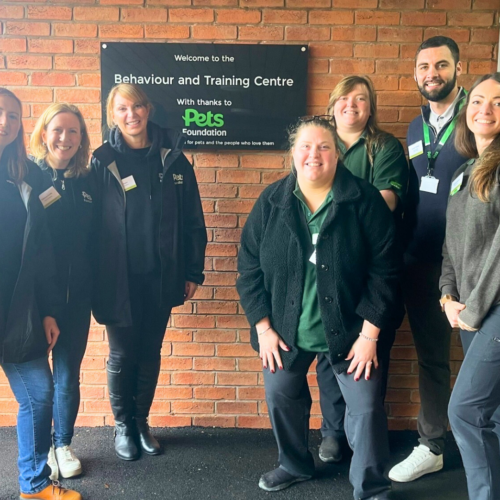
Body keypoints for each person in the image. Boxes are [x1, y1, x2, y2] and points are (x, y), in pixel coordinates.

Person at [237, 116, 401, 499]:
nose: (314, 155)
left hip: (352, 330)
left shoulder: (364, 200)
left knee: (366, 408)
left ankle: (372, 486)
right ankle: (294, 465)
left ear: (338, 153)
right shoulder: (272, 201)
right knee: (281, 395)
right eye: (306, 147)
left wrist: (369, 335)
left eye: (324, 147)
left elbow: (386, 271)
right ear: (293, 153)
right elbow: (248, 269)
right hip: (285, 329)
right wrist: (263, 328)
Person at [91, 83, 207, 461]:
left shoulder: (173, 159)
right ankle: (123, 425)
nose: (132, 115)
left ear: (148, 109)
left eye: (137, 106)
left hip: (161, 275)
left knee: (150, 351)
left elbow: (193, 221)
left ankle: (141, 423)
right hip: (117, 278)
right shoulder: (102, 160)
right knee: (123, 353)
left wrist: (192, 271)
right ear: (113, 115)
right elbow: (89, 225)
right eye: (123, 109)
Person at [388, 36, 469, 483]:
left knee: (481, 355)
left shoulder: (476, 119)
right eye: (424, 67)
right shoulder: (416, 128)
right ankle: (431, 445)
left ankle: (485, 442)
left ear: (460, 67)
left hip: (470, 264)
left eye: (441, 65)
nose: (431, 74)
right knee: (433, 357)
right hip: (422, 260)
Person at [316, 75, 408, 464]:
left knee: (368, 356)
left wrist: (335, 217)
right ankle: (333, 433)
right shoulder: (321, 142)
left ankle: (362, 440)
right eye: (344, 98)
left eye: (360, 99)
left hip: (370, 268)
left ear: (370, 108)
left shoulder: (383, 146)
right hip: (325, 269)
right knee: (327, 353)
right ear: (332, 104)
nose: (351, 105)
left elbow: (385, 202)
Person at [0, 88, 82, 499]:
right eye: (0, 114)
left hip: (18, 312)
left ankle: (34, 488)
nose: (5, 123)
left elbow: (43, 252)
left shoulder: (25, 175)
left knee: (39, 394)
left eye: (13, 116)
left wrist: (50, 311)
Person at [442, 72, 500, 500]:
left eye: (498, 102)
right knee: (493, 414)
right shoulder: (465, 171)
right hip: (469, 309)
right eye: (478, 100)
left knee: (464, 411)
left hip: (491, 310)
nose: (486, 109)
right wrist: (447, 296)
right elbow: (451, 244)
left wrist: (473, 310)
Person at [30, 103, 93, 480]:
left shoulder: (88, 180)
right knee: (39, 382)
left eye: (73, 132)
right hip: (35, 302)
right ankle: (38, 449)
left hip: (77, 300)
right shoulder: (30, 178)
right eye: (58, 130)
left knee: (68, 376)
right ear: (43, 133)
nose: (65, 138)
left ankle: (62, 445)